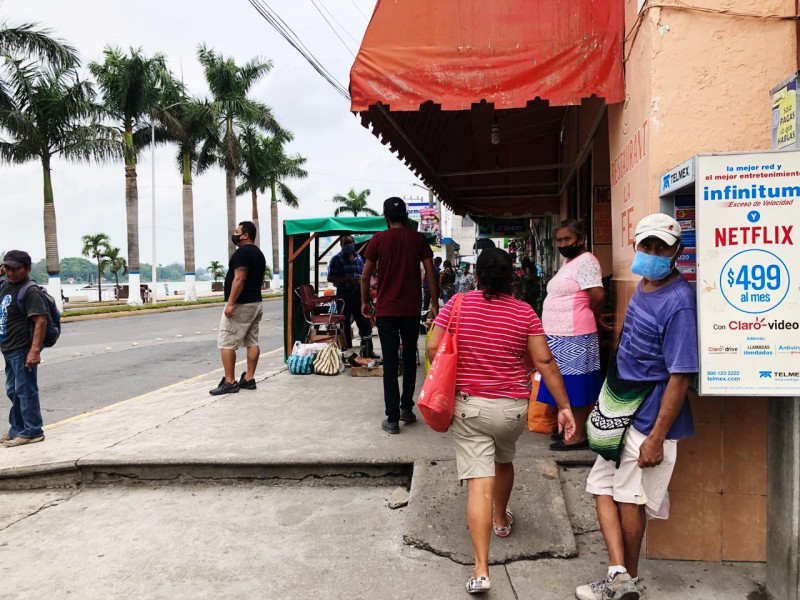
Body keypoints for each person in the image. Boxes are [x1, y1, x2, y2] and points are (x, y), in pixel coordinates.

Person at [427, 248, 576, 595]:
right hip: (511, 408)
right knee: (504, 459)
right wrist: (565, 407)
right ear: (512, 278)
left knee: (479, 482)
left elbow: (434, 348)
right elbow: (545, 362)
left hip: (469, 407)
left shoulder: (457, 304)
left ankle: (481, 570)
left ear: (476, 275)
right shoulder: (525, 313)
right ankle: (501, 519)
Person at [575, 213, 697, 600]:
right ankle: (619, 574)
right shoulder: (646, 285)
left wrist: (656, 438)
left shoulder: (680, 303)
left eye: (662, 247)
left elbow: (680, 376)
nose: (653, 253)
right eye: (647, 245)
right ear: (636, 245)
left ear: (677, 251)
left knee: (628, 496)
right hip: (621, 406)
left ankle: (624, 580)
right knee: (600, 485)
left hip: (648, 416)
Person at [361, 197, 439, 434]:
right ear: (406, 216)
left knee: (390, 361)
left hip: (386, 309)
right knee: (408, 356)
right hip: (410, 309)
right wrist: (435, 303)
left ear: (386, 218)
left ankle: (392, 419)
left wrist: (365, 302)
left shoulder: (378, 239)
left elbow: (365, 276)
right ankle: (406, 408)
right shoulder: (418, 239)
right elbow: (430, 273)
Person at [537, 219, 609, 451]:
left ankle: (577, 436)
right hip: (559, 335)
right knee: (563, 386)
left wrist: (592, 315)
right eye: (559, 240)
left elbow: (597, 295)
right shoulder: (569, 262)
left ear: (580, 239)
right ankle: (570, 428)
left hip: (575, 334)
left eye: (567, 239)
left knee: (576, 387)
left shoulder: (586, 261)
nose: (562, 243)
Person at [209, 220, 267, 396]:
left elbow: (240, 278)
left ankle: (230, 381)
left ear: (245, 235)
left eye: (236, 231)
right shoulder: (258, 253)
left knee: (226, 342)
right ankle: (249, 378)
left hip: (242, 304)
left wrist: (231, 303)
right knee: (252, 341)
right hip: (255, 303)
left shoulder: (242, 252)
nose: (233, 234)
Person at [0, 250, 48, 447]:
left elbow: (40, 320)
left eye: (16, 269)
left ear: (27, 268)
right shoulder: (4, 284)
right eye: (7, 268)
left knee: (25, 389)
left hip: (22, 348)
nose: (11, 273)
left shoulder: (30, 290)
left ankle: (32, 430)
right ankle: (17, 429)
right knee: (13, 390)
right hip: (9, 348)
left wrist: (34, 350)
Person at [327, 234, 377, 358]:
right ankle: (348, 352)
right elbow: (330, 277)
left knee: (364, 323)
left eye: (350, 243)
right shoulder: (336, 259)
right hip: (344, 297)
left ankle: (367, 350)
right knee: (345, 324)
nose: (349, 245)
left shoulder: (359, 257)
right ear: (342, 245)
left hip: (358, 296)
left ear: (353, 243)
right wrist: (348, 280)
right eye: (346, 243)